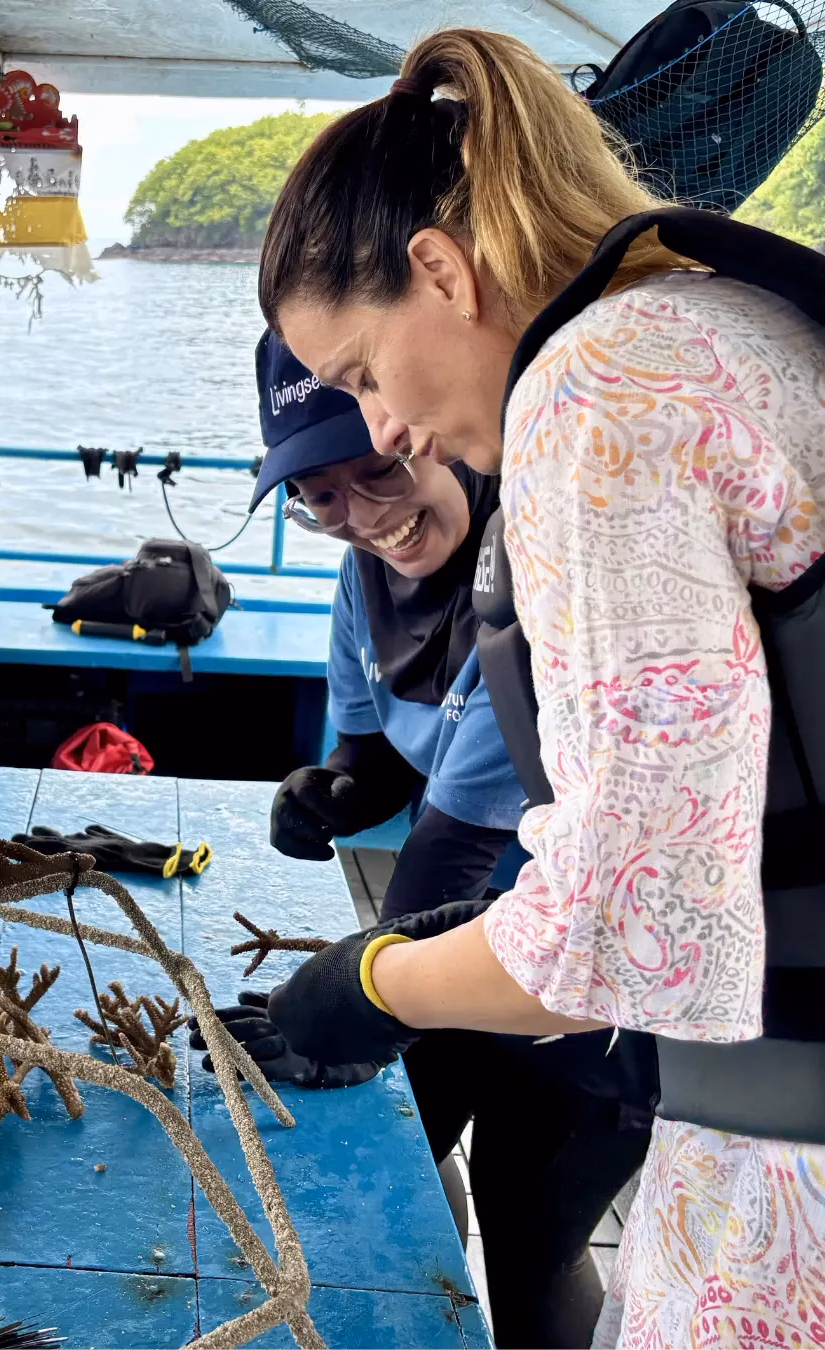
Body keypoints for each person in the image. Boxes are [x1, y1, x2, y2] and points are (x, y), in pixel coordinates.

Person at [212, 28, 825, 1350]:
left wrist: (372, 983)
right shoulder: (733, 316)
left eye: (364, 374)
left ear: (443, 270)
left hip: (793, 1177)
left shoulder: (595, 392)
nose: (384, 429)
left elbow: (630, 932)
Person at [196, 329, 653, 1347]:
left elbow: (448, 852)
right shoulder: (360, 582)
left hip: (581, 983)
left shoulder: (530, 585)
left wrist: (346, 1005)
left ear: (425, 432)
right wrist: (331, 795)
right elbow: (379, 762)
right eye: (319, 496)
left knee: (532, 1243)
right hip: (456, 953)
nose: (362, 515)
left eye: (378, 470)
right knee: (411, 1179)